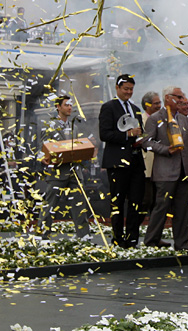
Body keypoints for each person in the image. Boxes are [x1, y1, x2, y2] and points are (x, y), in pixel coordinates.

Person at [142, 86, 188, 254]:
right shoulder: (155, 118)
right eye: (179, 97)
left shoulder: (184, 120)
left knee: (182, 208)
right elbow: (147, 142)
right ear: (168, 98)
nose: (182, 100)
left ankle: (182, 243)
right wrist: (166, 150)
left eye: (183, 97)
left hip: (184, 171)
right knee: (161, 207)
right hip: (165, 171)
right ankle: (152, 240)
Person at [98, 74, 146, 248]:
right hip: (117, 162)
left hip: (136, 160)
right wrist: (127, 134)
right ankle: (118, 237)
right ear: (118, 89)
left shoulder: (135, 108)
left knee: (136, 200)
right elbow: (104, 134)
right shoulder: (108, 107)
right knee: (118, 201)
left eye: (131, 89)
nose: (128, 92)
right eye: (125, 89)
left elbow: (140, 132)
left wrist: (142, 138)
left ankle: (133, 237)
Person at [38, 94, 90, 237]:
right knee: (50, 203)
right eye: (66, 105)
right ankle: (43, 234)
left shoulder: (74, 126)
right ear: (58, 107)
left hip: (74, 170)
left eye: (70, 105)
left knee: (79, 203)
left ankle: (83, 235)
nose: (69, 107)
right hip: (57, 171)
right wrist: (43, 157)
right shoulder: (50, 125)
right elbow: (43, 147)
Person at [140, 91, 162, 217]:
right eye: (156, 103)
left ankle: (154, 233)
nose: (159, 106)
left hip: (161, 167)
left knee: (158, 201)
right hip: (147, 167)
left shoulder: (163, 120)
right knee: (146, 200)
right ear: (147, 105)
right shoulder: (141, 120)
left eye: (160, 103)